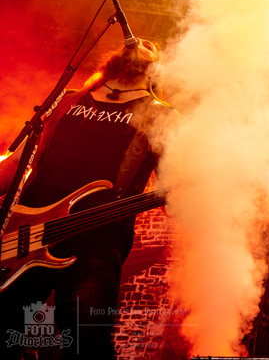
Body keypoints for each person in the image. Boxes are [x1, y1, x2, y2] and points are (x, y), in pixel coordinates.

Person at [0, 38, 175, 359]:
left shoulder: (160, 116)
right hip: (21, 236)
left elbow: (175, 196)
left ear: (156, 72)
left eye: (151, 45)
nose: (138, 42)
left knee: (85, 341)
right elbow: (15, 165)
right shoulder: (67, 99)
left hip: (95, 243)